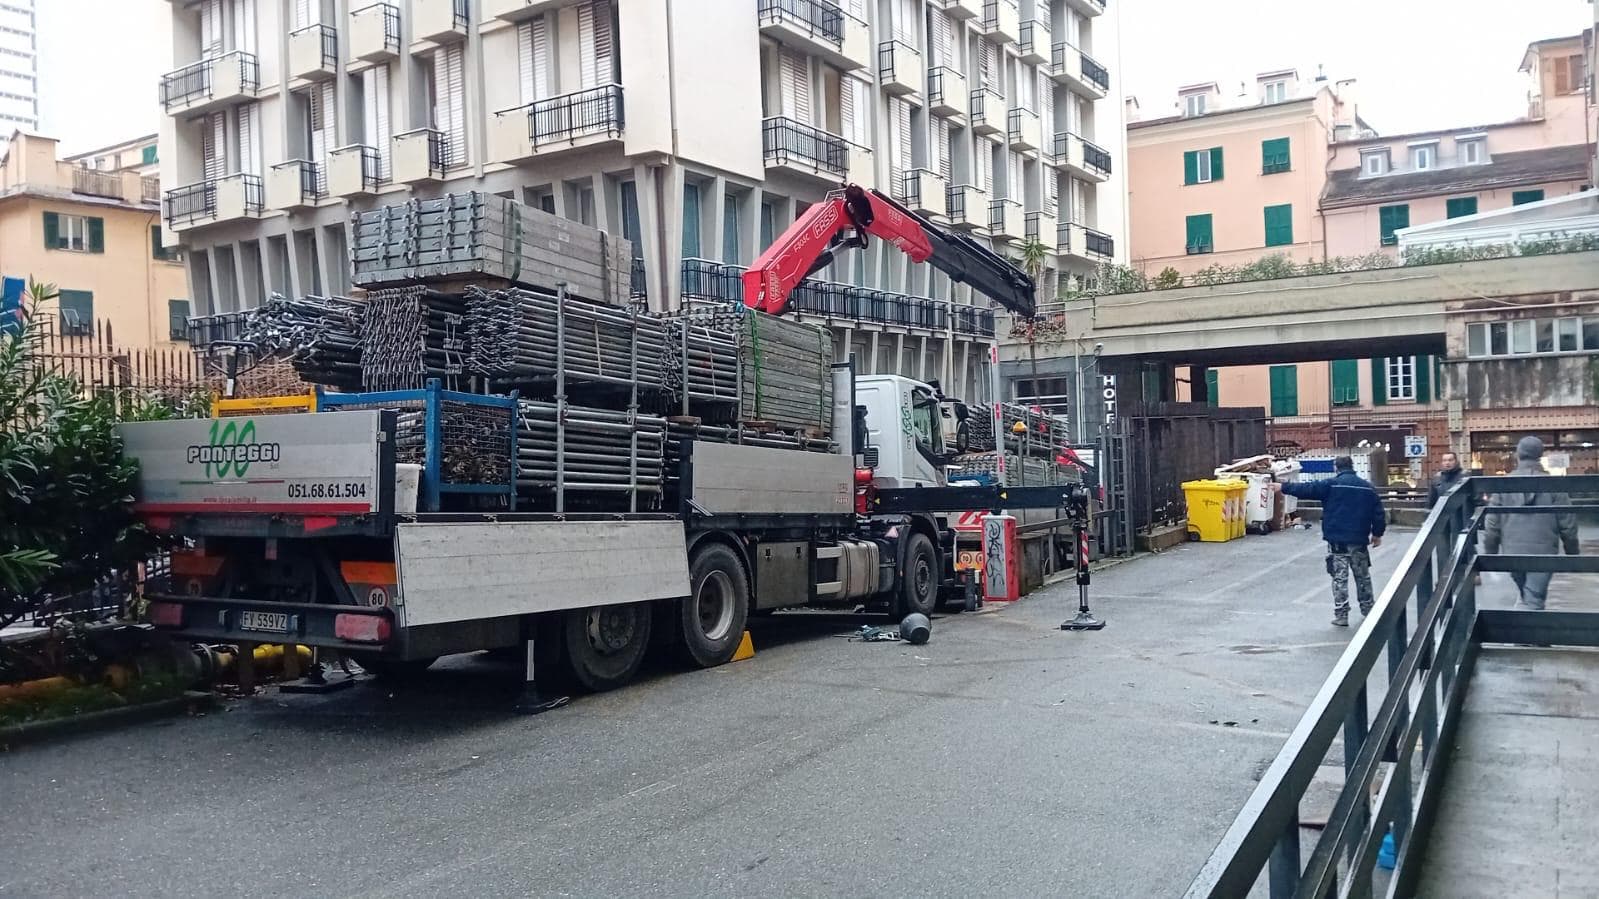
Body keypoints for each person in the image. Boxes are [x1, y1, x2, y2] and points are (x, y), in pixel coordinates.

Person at [1280, 456, 1387, 627]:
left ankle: (1342, 614)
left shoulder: (1330, 485)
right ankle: (1368, 609)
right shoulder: (1367, 488)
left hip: (1337, 540)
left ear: (1336, 467)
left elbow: (1307, 489)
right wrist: (1377, 534)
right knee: (1362, 576)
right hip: (1358, 540)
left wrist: (1283, 487)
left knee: (1339, 578)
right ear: (1352, 467)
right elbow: (1379, 513)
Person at [1483, 436, 1580, 611]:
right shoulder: (1554, 485)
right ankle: (1530, 625)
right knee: (1534, 598)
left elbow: (1492, 523)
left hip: (1512, 552)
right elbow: (1568, 523)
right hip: (1544, 552)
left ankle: (1528, 623)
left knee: (1527, 594)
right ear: (1540, 455)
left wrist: (1491, 553)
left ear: (1518, 454)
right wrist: (1572, 553)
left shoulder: (1503, 484)